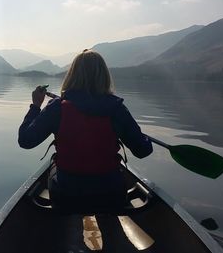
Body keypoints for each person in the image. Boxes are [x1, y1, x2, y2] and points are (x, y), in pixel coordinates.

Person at [18, 49, 152, 209]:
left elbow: (25, 141)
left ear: (72, 75)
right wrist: (143, 138)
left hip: (66, 194)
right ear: (104, 76)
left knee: (55, 167)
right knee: (111, 184)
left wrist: (35, 106)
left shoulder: (57, 108)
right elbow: (143, 151)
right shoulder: (117, 109)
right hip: (110, 194)